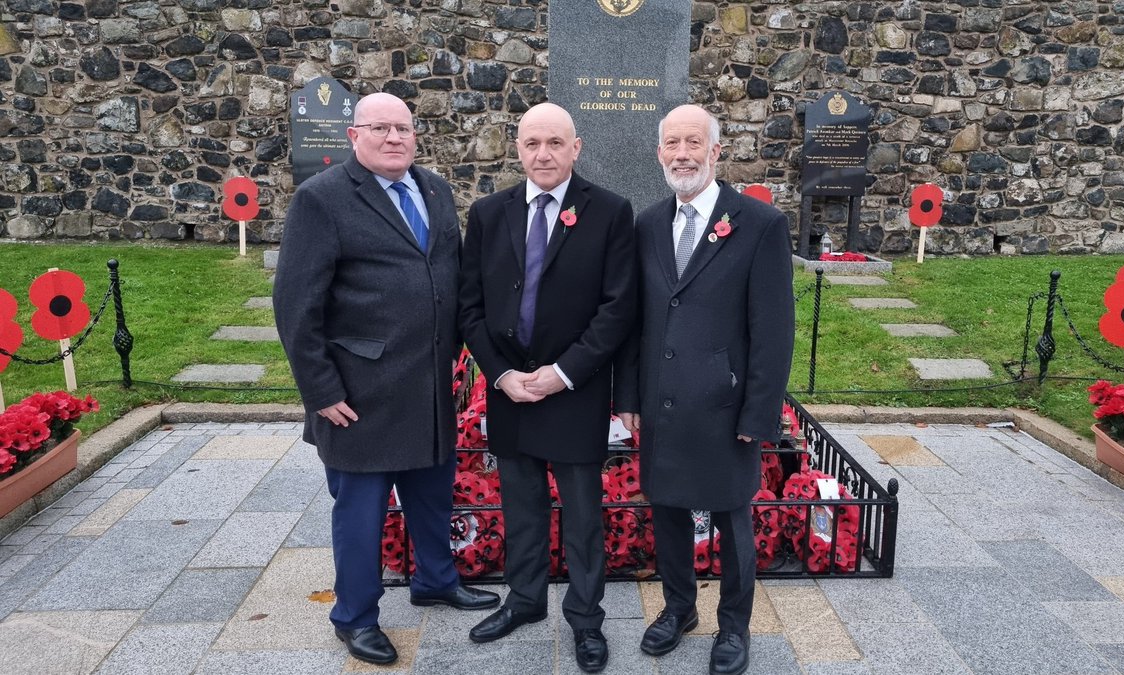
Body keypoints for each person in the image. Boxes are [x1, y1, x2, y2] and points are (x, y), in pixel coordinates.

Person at [273, 92, 498, 667]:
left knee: (431, 497)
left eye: (403, 128)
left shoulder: (435, 190)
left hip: (427, 386)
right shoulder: (321, 200)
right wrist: (321, 392)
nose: (394, 137)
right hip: (359, 394)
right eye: (380, 128)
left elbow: (450, 277)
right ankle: (354, 615)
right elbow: (296, 306)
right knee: (361, 514)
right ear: (354, 136)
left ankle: (436, 580)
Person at [614, 104, 794, 675]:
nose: (683, 153)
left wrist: (758, 411)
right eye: (672, 143)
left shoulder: (759, 224)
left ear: (717, 152)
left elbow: (773, 329)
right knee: (666, 510)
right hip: (661, 402)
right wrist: (627, 399)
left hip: (724, 404)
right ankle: (679, 609)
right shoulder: (645, 224)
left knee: (732, 520)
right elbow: (634, 320)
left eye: (695, 142)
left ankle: (734, 626)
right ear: (659, 153)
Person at [458, 102, 637, 673]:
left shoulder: (609, 212)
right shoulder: (489, 213)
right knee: (523, 506)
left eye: (555, 142)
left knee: (583, 516)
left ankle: (586, 620)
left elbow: (617, 309)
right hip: (511, 390)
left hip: (574, 391)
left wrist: (562, 374)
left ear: (576, 148)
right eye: (532, 142)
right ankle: (527, 600)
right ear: (517, 148)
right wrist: (502, 375)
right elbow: (470, 307)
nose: (543, 153)